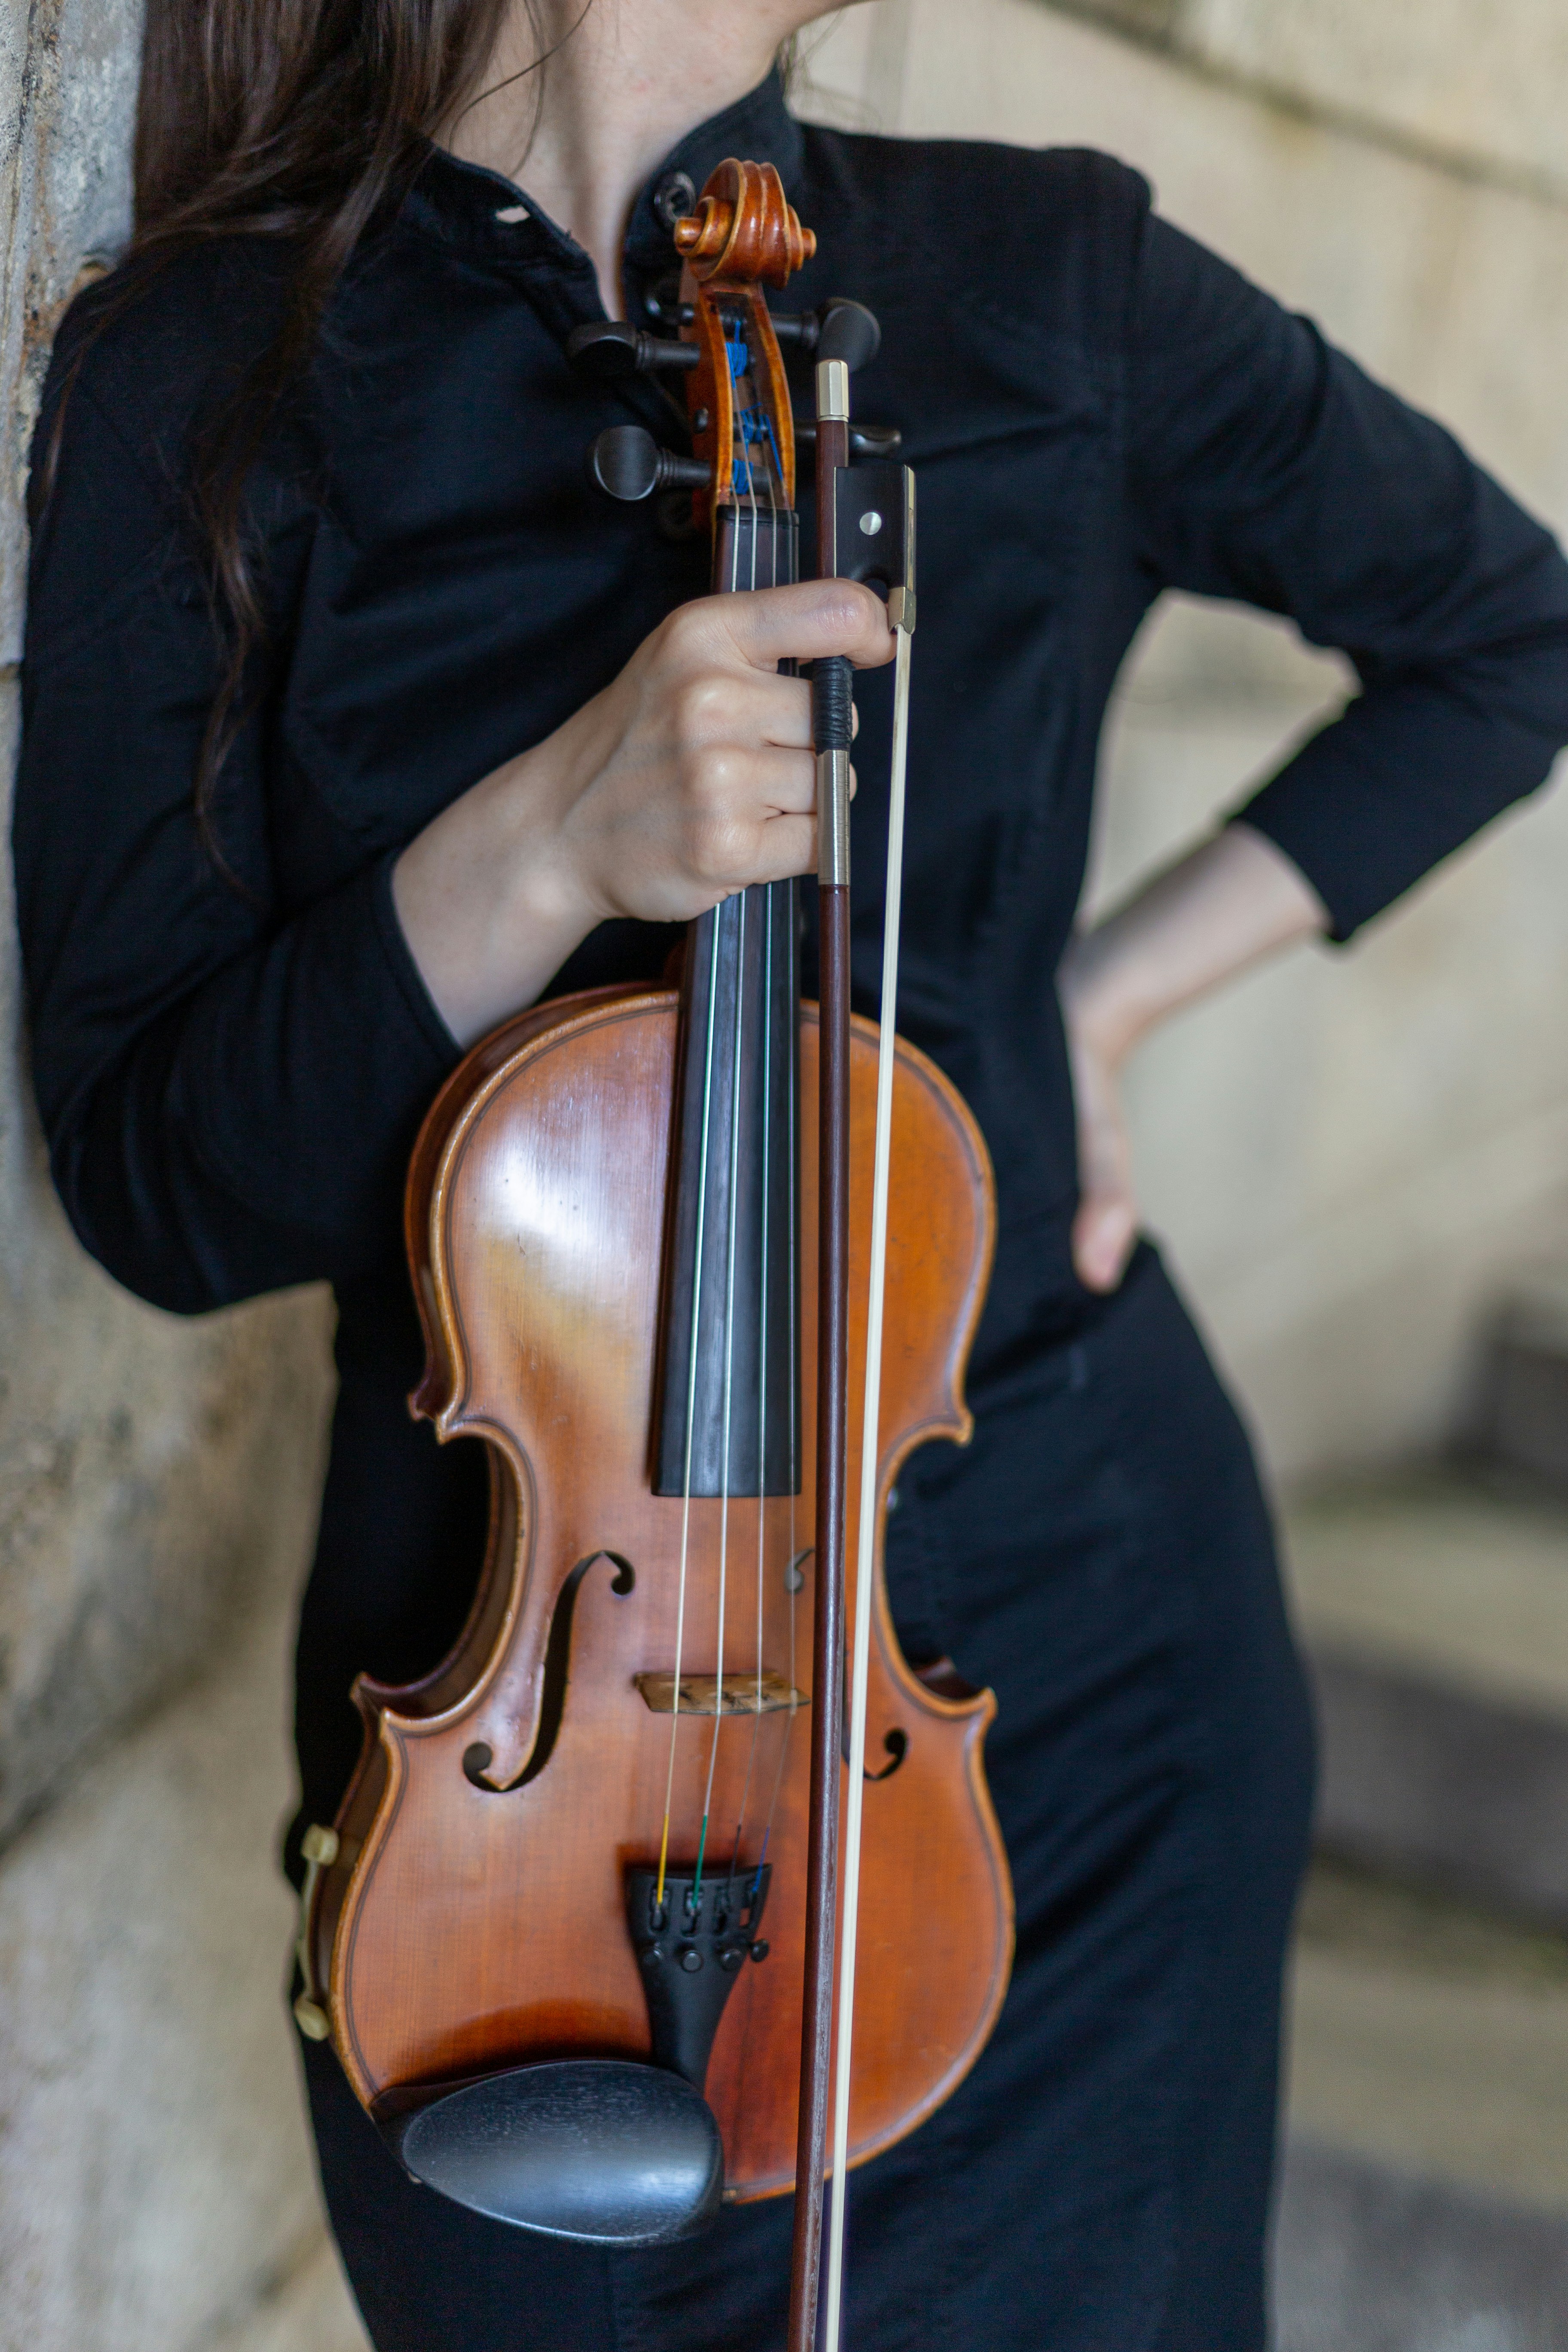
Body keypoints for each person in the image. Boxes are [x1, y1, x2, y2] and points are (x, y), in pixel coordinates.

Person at [17, 0, 1568, 2345]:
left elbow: (1507, 632)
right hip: (511, 1731)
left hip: (1054, 1671)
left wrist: (1094, 1004)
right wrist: (547, 842)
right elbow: (156, 1177)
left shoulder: (1046, 280)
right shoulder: (213, 368)